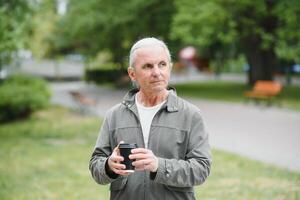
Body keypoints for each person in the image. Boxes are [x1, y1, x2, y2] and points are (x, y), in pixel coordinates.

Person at [89, 37, 212, 200]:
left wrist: (158, 166)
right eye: (147, 66)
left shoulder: (190, 115)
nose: (157, 72)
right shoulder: (115, 115)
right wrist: (109, 165)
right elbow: (96, 165)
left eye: (162, 64)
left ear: (170, 68)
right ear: (132, 74)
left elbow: (201, 169)